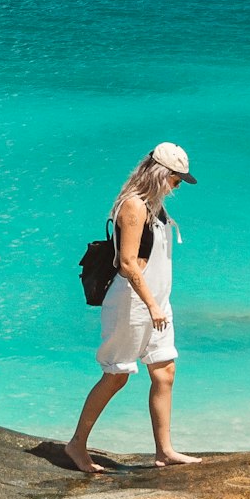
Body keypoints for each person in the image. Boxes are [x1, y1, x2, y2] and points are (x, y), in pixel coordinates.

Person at [67, 141, 197, 474]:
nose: (178, 185)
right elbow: (126, 263)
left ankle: (164, 450)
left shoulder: (157, 207)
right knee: (116, 376)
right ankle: (76, 445)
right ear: (161, 174)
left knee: (165, 371)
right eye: (176, 179)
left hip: (157, 304)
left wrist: (160, 305)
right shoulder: (134, 207)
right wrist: (152, 306)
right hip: (132, 304)